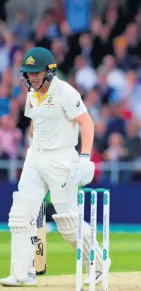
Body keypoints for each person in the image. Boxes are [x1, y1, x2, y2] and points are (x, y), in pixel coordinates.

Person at [0, 47, 106, 286]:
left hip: (61, 159)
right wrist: (32, 149)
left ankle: (99, 265)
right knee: (20, 214)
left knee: (68, 221)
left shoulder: (65, 92)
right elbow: (34, 123)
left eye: (36, 73)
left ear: (49, 72)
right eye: (28, 73)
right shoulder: (31, 93)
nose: (32, 78)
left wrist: (84, 158)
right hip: (35, 157)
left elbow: (87, 124)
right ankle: (22, 272)